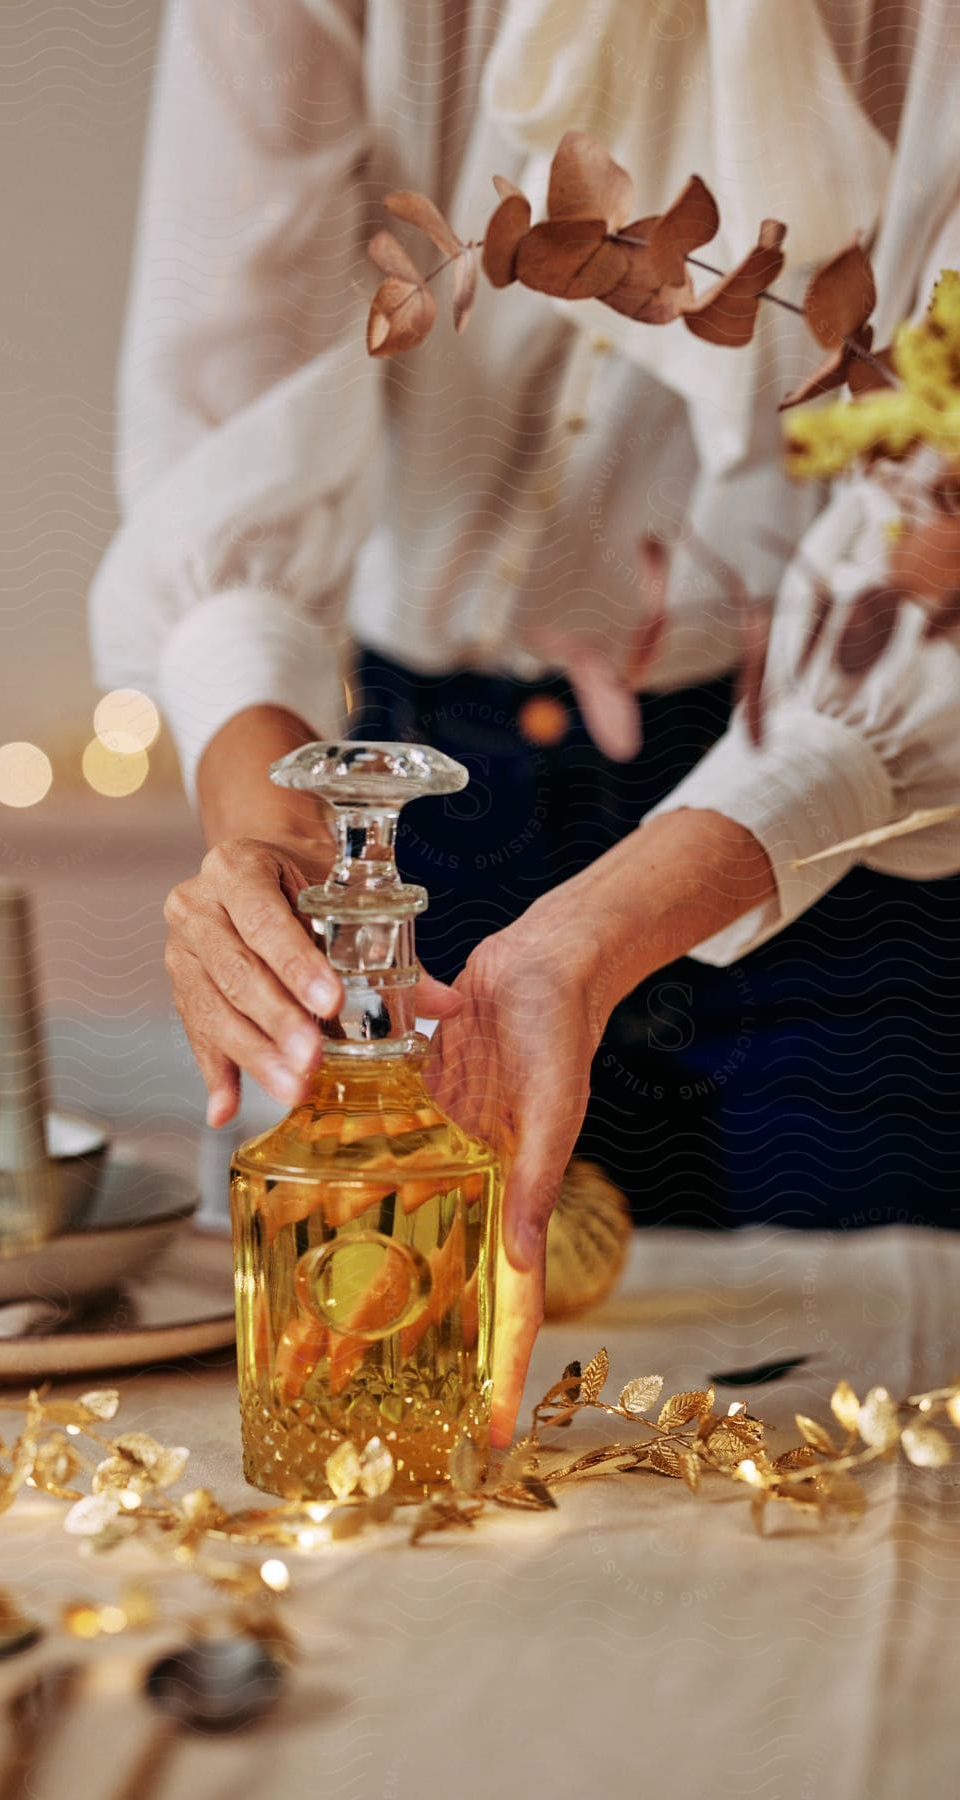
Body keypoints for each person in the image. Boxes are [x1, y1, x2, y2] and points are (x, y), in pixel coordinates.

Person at [90, 0, 960, 1442]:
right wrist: (262, 828)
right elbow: (224, 389)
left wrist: (597, 929)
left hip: (851, 811)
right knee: (401, 1403)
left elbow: (940, 522)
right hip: (418, 779)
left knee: (868, 1422)